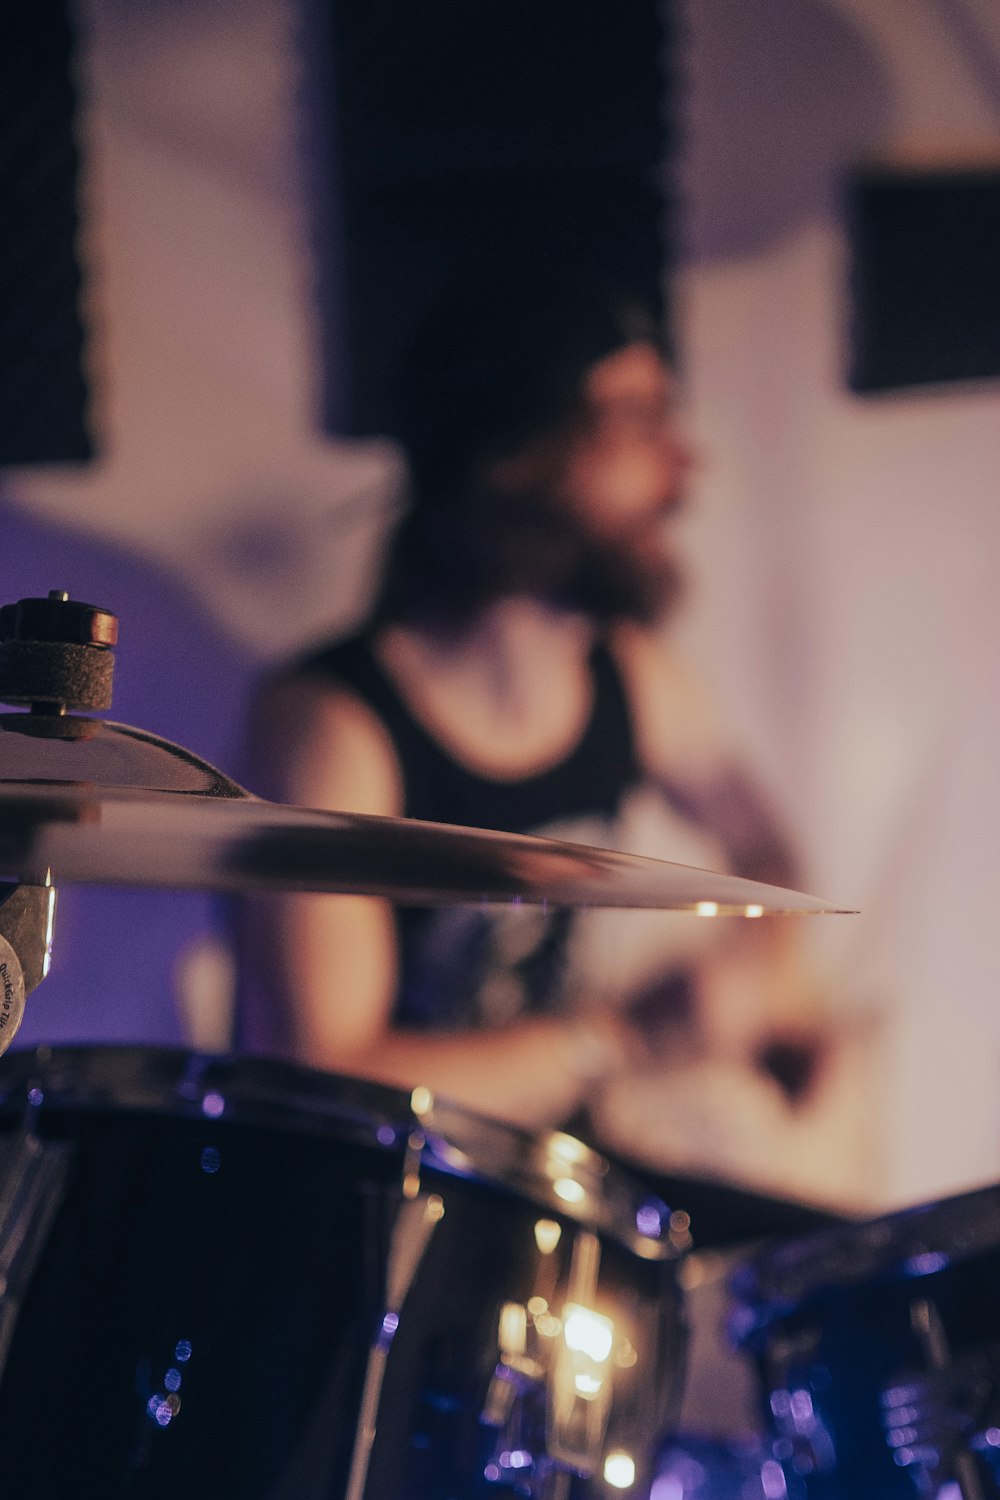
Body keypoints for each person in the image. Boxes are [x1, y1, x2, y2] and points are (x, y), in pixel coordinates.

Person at [237, 273, 871, 1212]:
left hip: (554, 1183)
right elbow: (331, 1074)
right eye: (636, 421)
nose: (681, 466)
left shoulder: (631, 677)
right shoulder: (336, 728)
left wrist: (762, 981)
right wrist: (616, 1039)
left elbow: (769, 855)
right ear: (515, 458)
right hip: (372, 1206)